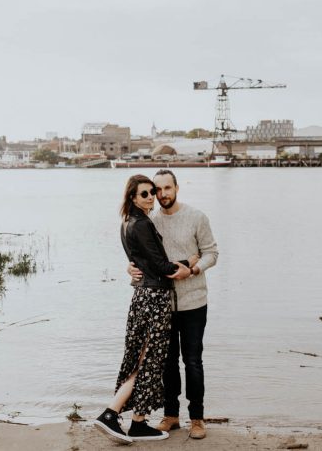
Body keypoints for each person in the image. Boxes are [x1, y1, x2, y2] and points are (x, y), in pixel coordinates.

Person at [94, 174, 193, 445]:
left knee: (142, 359)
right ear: (133, 198)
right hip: (154, 298)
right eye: (145, 194)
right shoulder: (141, 223)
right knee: (148, 360)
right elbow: (161, 265)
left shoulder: (128, 222)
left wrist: (135, 269)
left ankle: (138, 422)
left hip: (141, 296)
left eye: (152, 192)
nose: (152, 197)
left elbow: (140, 260)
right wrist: (187, 265)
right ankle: (111, 413)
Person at [128, 169, 218, 440]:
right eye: (157, 189)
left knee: (193, 361)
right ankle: (171, 416)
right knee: (167, 363)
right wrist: (131, 268)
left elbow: (212, 253)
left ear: (177, 188)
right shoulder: (149, 220)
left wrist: (193, 269)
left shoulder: (196, 217)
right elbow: (143, 257)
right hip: (162, 305)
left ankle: (197, 419)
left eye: (168, 188)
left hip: (193, 302)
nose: (162, 194)